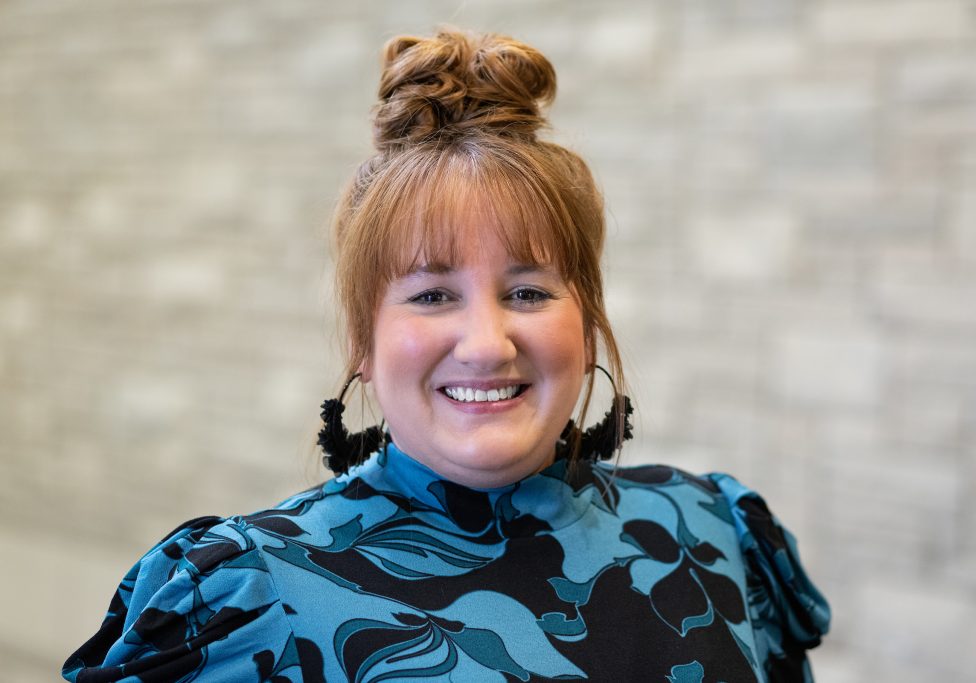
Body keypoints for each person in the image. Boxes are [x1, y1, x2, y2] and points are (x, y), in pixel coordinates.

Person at [63, 28, 830, 682]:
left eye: (528, 293)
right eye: (432, 295)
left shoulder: (711, 533)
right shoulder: (246, 597)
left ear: (588, 323)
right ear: (364, 342)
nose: (488, 343)